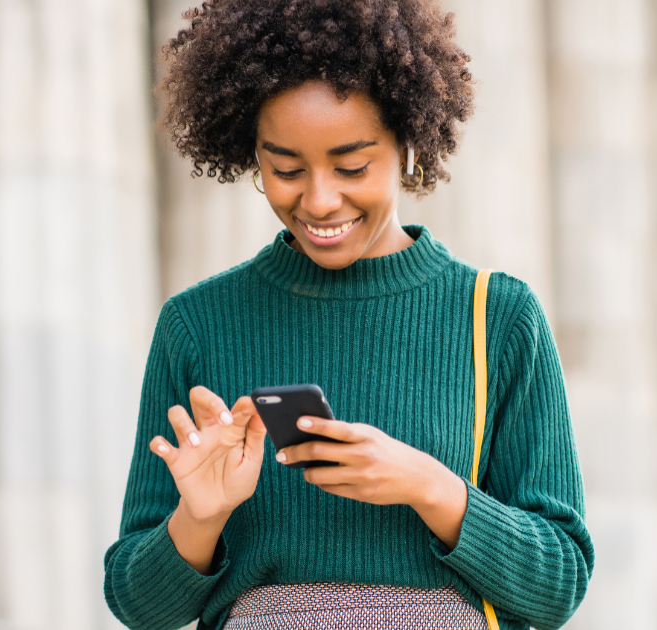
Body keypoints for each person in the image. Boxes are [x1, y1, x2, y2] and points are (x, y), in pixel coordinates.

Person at [103, 1, 593, 629]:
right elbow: (139, 608)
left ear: (409, 142)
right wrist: (200, 517)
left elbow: (558, 585)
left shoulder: (499, 318)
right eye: (284, 169)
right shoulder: (197, 324)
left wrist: (428, 486)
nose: (319, 199)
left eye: (352, 166)